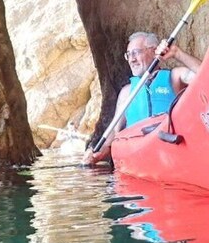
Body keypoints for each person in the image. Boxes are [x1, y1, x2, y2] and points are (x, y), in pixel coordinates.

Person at [82, 31, 201, 164]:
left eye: (136, 52)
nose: (132, 59)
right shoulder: (126, 93)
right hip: (139, 160)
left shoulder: (174, 77)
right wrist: (95, 155)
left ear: (153, 51)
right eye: (128, 54)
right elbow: (113, 133)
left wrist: (177, 53)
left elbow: (206, 75)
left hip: (170, 155)